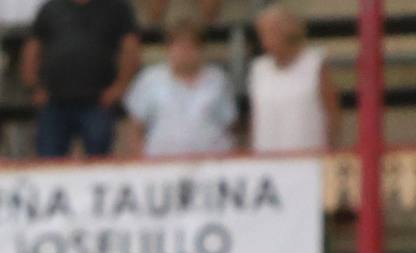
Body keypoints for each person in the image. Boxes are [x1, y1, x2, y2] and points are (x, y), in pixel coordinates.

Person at [25, 0, 144, 157]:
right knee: (49, 163)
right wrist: (34, 87)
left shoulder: (117, 7)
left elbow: (131, 48)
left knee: (98, 162)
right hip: (54, 102)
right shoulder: (50, 8)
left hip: (97, 102)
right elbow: (32, 49)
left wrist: (119, 87)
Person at [123, 25, 234, 154]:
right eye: (179, 47)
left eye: (190, 47)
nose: (184, 52)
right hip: (160, 164)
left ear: (200, 50)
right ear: (168, 49)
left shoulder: (218, 80)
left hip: (211, 164)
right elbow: (135, 128)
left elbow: (230, 125)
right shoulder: (149, 79)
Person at [247, 3, 338, 153]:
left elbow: (332, 114)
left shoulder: (315, 63)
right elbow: (255, 117)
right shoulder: (259, 69)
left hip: (309, 158)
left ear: (288, 32)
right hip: (266, 161)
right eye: (262, 35)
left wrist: (329, 152)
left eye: (269, 33)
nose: (264, 42)